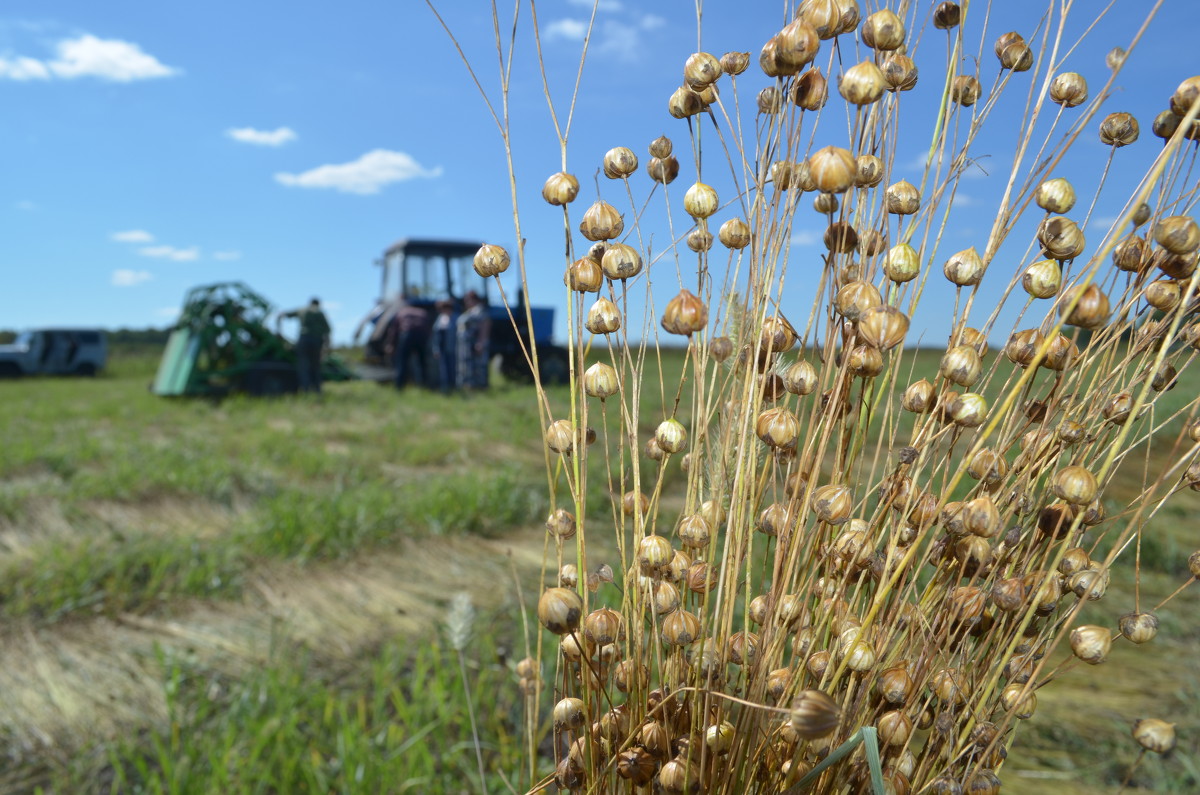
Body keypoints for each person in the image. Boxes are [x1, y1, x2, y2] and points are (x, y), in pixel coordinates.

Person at [280, 298, 331, 393]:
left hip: (303, 340)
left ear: (310, 303)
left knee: (303, 366)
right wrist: (327, 347)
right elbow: (327, 330)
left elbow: (284, 314)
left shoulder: (302, 309)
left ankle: (305, 390)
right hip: (316, 341)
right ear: (318, 304)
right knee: (316, 366)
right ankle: (317, 390)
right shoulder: (320, 313)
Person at [388, 299, 431, 389]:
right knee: (422, 363)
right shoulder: (422, 312)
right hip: (422, 336)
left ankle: (399, 386)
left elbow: (394, 330)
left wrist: (391, 345)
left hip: (408, 335)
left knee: (402, 361)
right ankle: (425, 385)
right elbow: (428, 328)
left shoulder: (402, 312)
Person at [456, 290, 491, 390]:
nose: (466, 302)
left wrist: (481, 341)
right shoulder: (469, 311)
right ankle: (469, 386)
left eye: (468, 300)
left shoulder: (480, 310)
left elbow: (485, 325)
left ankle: (481, 387)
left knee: (479, 365)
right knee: (468, 366)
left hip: (476, 342)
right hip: (467, 345)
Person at [431, 299, 457, 392]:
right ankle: (445, 388)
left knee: (453, 368)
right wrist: (435, 349)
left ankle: (453, 387)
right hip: (442, 349)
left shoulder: (456, 319)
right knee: (443, 369)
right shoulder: (440, 319)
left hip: (453, 348)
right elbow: (436, 336)